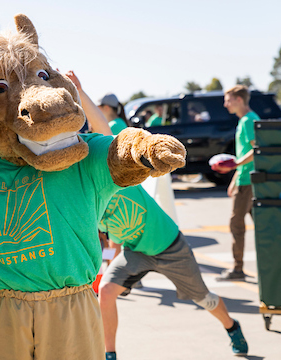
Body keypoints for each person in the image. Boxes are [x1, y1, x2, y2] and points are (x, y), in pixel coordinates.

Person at [67, 72, 248, 359]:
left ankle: (231, 326)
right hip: (136, 250)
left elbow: (103, 131)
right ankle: (110, 354)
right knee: (106, 291)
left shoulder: (116, 175)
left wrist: (79, 90)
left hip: (170, 246)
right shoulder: (86, 199)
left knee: (204, 298)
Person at [215, 85, 260, 281]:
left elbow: (257, 150)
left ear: (239, 100)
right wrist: (234, 178)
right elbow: (245, 153)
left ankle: (237, 269)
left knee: (236, 224)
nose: (225, 104)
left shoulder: (250, 120)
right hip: (244, 178)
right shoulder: (245, 120)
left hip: (248, 180)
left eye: (228, 100)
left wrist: (235, 164)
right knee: (261, 224)